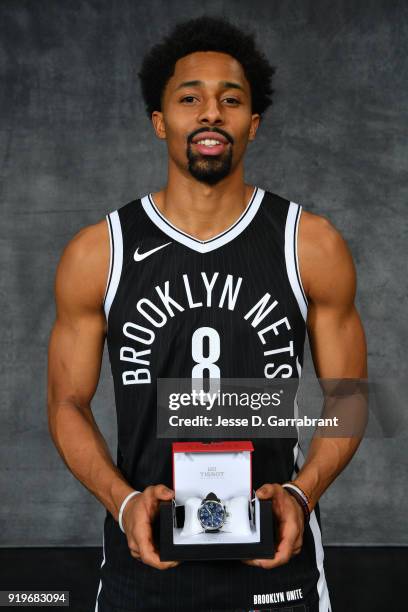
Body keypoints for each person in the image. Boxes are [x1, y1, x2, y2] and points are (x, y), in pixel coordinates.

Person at [47, 16, 367, 612]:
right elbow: (67, 403)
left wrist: (301, 494)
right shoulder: (99, 253)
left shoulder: (309, 244)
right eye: (189, 97)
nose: (211, 112)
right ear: (160, 121)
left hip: (276, 561)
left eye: (231, 99)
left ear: (254, 123)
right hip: (142, 558)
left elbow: (348, 395)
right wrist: (122, 503)